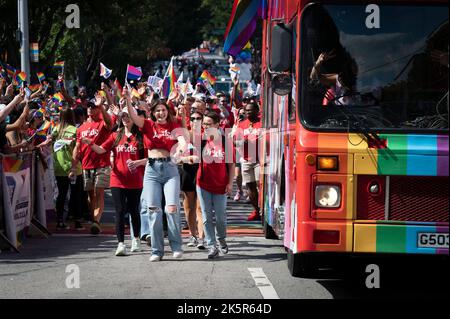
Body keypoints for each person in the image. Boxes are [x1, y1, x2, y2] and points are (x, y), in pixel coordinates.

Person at [125, 90, 187, 262]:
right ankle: (157, 251)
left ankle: (176, 246)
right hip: (151, 170)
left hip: (170, 169)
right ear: (153, 112)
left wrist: (180, 150)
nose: (161, 113)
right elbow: (133, 116)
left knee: (172, 208)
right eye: (158, 110)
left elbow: (182, 140)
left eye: (163, 110)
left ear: (167, 111)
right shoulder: (147, 125)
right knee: (153, 210)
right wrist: (127, 100)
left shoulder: (174, 125)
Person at [83, 107, 146, 256]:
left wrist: (138, 163)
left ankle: (136, 239)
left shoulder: (141, 136)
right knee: (119, 211)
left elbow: (149, 158)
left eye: (128, 115)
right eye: (123, 116)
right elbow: (101, 150)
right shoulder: (115, 136)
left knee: (134, 210)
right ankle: (121, 244)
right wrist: (90, 143)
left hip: (136, 180)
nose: (125, 118)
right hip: (117, 180)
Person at [195, 111, 235, 259]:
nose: (205, 126)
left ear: (217, 124)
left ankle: (222, 239)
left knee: (220, 217)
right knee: (206, 217)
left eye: (209, 124)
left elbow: (231, 166)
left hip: (220, 185)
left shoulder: (225, 142)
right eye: (204, 124)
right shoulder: (201, 140)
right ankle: (212, 246)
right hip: (203, 184)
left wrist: (230, 183)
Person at [72, 96, 113, 235]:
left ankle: (96, 221)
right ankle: (96, 220)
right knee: (91, 195)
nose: (90, 108)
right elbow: (77, 147)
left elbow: (110, 123)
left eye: (93, 106)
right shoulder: (81, 128)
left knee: (99, 191)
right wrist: (73, 166)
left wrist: (101, 106)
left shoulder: (103, 122)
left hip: (102, 164)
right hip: (86, 165)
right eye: (89, 106)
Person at [51, 107, 84, 230]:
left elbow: (50, 145)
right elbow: (80, 149)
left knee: (62, 194)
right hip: (74, 167)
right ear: (72, 116)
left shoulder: (55, 130)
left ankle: (60, 220)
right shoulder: (76, 130)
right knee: (76, 195)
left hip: (60, 167)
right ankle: (77, 221)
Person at [179, 111, 206, 249]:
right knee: (188, 208)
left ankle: (201, 238)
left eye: (198, 118)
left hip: (202, 172)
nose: (195, 121)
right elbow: (176, 157)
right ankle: (193, 235)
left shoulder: (206, 135)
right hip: (187, 172)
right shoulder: (184, 136)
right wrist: (186, 159)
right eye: (193, 118)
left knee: (200, 208)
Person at [234, 101, 262, 221]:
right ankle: (256, 211)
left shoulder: (262, 123)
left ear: (257, 111)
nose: (249, 112)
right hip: (246, 159)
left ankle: (263, 209)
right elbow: (235, 142)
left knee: (260, 185)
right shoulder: (242, 125)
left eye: (251, 110)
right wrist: (243, 142)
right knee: (250, 187)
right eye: (247, 111)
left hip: (260, 160)